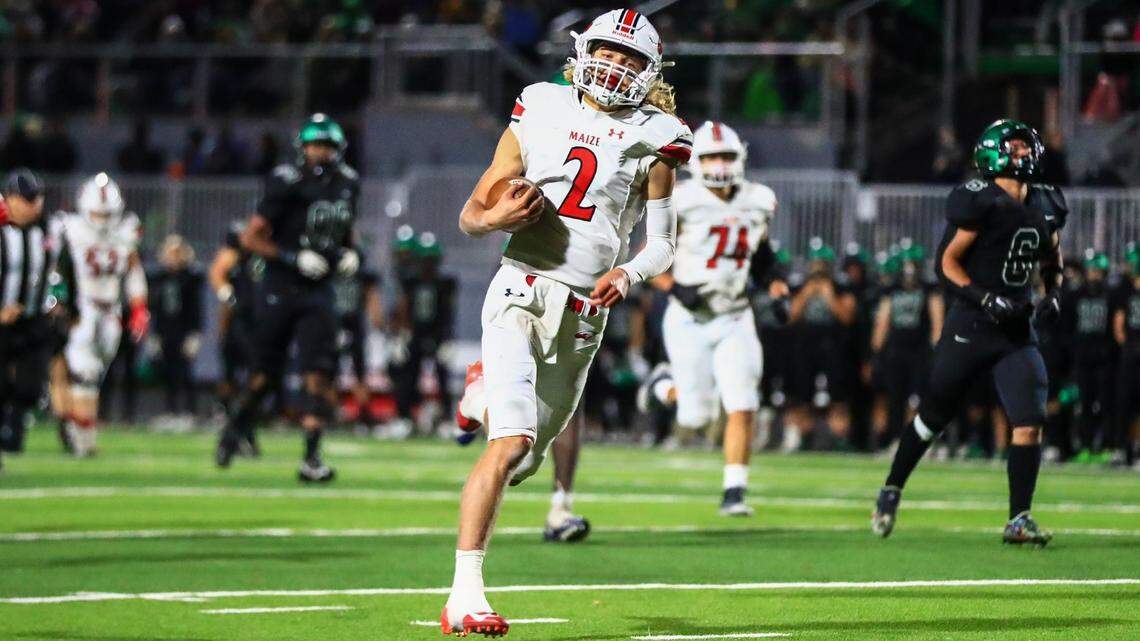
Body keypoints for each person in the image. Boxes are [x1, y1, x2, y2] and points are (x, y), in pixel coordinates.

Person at [445, 9, 691, 635]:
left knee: (526, 461)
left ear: (648, 71)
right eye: (608, 53)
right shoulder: (540, 106)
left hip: (584, 311)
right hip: (521, 290)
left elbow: (663, 245)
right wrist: (496, 220)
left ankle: (476, 398)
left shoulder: (657, 136)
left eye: (630, 60)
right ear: (583, 52)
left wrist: (629, 274)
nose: (615, 66)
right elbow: (473, 211)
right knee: (513, 444)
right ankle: (464, 595)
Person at [872, 119, 1068, 546]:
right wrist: (984, 298)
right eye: (1014, 148)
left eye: (1025, 148)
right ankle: (892, 487)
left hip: (1016, 328)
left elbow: (1053, 257)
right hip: (972, 325)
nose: (1023, 155)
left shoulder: (1048, 203)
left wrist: (1053, 293)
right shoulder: (979, 200)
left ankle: (1019, 517)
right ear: (994, 152)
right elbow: (947, 262)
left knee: (1030, 420)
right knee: (933, 416)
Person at [644, 120, 788, 515]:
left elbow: (760, 254)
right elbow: (650, 255)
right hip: (689, 317)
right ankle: (662, 385)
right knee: (696, 415)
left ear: (740, 157)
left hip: (735, 315)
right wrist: (674, 287)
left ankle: (735, 490)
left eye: (726, 155)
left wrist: (775, 283)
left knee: (743, 399)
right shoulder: (680, 198)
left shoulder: (759, 198)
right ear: (696, 161)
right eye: (711, 156)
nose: (720, 164)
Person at [214, 114, 360, 483]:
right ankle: (235, 426)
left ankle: (312, 457)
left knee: (319, 372)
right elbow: (251, 238)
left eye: (327, 146)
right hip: (280, 287)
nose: (321, 153)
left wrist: (349, 253)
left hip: (318, 289)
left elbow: (344, 231)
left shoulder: (347, 183)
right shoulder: (286, 181)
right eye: (315, 145)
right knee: (265, 375)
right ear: (303, 148)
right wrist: (292, 257)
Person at [60, 173, 149, 457]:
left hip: (111, 308)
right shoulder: (69, 228)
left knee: (95, 375)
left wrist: (138, 307)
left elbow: (133, 270)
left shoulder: (126, 230)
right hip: (83, 305)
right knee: (84, 373)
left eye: (107, 213)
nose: (102, 219)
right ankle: (82, 438)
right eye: (98, 213)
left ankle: (78, 430)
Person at [0, 169, 68, 468]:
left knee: (31, 386)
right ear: (10, 199)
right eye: (27, 199)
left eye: (36, 198)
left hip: (34, 319)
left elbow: (63, 268)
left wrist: (60, 299)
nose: (33, 205)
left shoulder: (50, 228)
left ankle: (13, 424)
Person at [869, 243, 944, 447]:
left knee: (916, 399)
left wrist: (936, 351)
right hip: (896, 351)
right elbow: (882, 323)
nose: (909, 269)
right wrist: (875, 352)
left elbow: (937, 321)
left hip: (919, 351)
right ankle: (897, 440)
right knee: (896, 399)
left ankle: (917, 442)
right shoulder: (891, 289)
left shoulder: (929, 289)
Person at [1067, 250, 1114, 463]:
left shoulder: (1110, 295)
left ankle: (1104, 446)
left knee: (1104, 403)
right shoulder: (1077, 295)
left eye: (1097, 270)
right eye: (1091, 270)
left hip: (1104, 358)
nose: (1093, 274)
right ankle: (1085, 445)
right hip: (1083, 358)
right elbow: (1068, 328)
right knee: (1084, 403)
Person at [149, 234, 204, 418]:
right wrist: (154, 334)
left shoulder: (191, 278)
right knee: (167, 371)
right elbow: (155, 309)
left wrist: (196, 333)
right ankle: (170, 410)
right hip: (165, 331)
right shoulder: (159, 278)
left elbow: (196, 308)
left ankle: (190, 410)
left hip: (185, 330)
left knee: (186, 371)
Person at [331, 262, 383, 431]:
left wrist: (376, 319)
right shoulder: (331, 267)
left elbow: (371, 296)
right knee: (331, 373)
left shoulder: (362, 273)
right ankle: (333, 412)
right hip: (335, 326)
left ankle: (363, 415)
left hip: (354, 328)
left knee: (359, 374)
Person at [1110, 244, 1140, 468]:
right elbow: (1118, 324)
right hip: (1131, 351)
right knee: (1124, 402)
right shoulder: (1124, 288)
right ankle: (1123, 448)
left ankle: (1136, 448)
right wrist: (1128, 346)